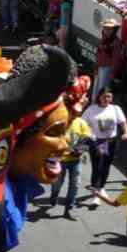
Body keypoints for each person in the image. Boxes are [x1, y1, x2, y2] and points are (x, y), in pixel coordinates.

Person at [49, 76, 94, 220]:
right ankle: (54, 195)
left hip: (75, 160)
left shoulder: (81, 122)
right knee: (57, 184)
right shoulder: (61, 121)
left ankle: (69, 209)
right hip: (60, 159)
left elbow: (87, 137)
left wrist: (81, 148)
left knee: (75, 185)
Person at [82, 87, 127, 206]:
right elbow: (83, 124)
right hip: (96, 141)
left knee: (106, 166)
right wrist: (90, 137)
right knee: (97, 167)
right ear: (99, 97)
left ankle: (101, 187)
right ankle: (95, 193)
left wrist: (126, 133)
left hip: (110, 141)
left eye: (109, 97)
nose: (107, 99)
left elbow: (123, 123)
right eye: (104, 96)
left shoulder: (115, 109)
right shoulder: (91, 109)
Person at [91, 19, 125, 102]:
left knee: (102, 91)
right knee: (96, 90)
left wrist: (112, 74)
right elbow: (98, 55)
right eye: (105, 28)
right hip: (100, 68)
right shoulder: (103, 40)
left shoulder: (116, 43)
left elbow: (116, 60)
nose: (107, 30)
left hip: (107, 69)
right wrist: (96, 68)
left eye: (110, 28)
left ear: (114, 30)